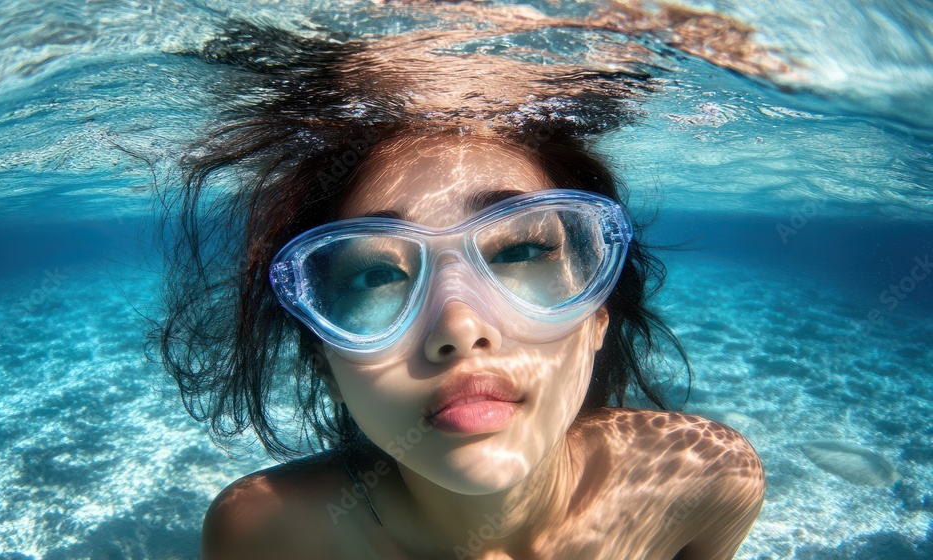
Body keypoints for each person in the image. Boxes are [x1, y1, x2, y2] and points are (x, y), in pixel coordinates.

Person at [153, 18, 765, 560]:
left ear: (598, 313)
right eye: (377, 274)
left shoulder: (708, 482)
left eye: (521, 250)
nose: (459, 328)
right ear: (323, 351)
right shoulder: (269, 537)